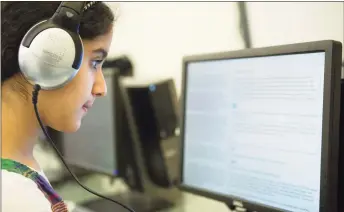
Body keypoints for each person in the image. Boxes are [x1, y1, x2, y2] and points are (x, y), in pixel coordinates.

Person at [1, 2, 115, 211]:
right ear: (45, 56)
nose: (101, 88)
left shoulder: (18, 168)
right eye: (95, 62)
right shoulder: (15, 196)